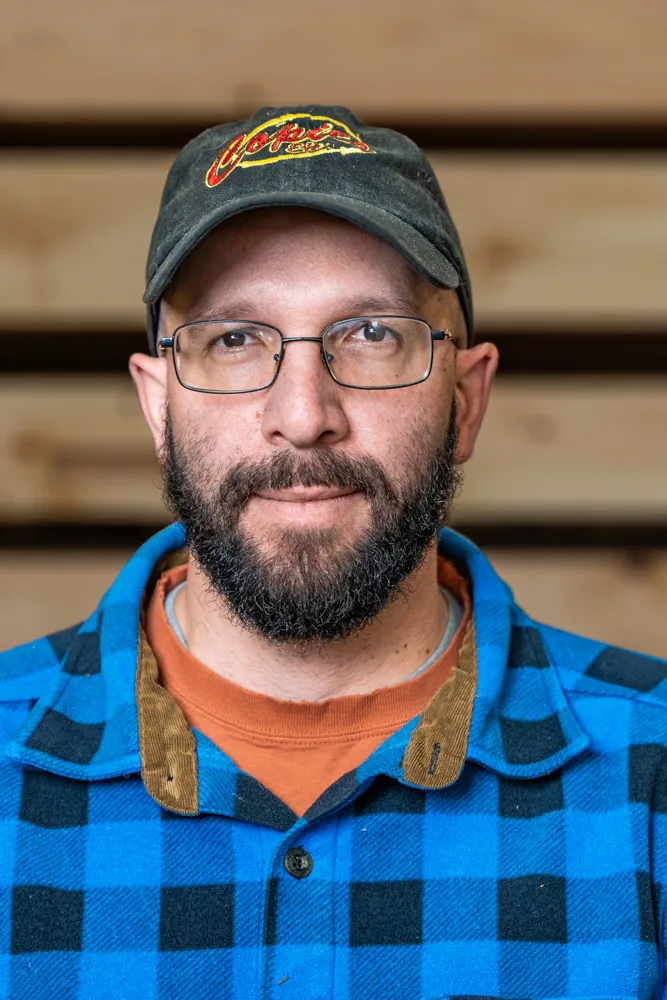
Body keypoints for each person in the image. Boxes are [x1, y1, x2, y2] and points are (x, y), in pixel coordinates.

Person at [1, 104, 666, 1000]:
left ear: (465, 401)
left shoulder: (649, 773)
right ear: (158, 404)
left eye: (370, 334)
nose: (304, 414)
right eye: (235, 340)